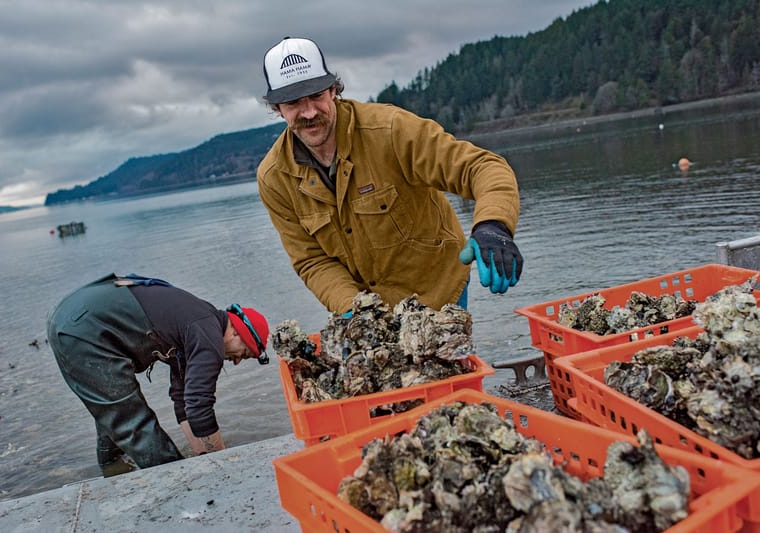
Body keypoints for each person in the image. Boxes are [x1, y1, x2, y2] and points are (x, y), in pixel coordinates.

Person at [257, 37, 523, 315]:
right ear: (277, 108)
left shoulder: (391, 130)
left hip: (436, 289)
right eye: (294, 103)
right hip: (369, 310)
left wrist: (493, 225)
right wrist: (355, 309)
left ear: (333, 90)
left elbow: (481, 167)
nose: (309, 112)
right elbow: (311, 260)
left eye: (316, 96)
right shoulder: (274, 178)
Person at [46, 273, 269, 474]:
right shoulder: (209, 333)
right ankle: (180, 488)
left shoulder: (199, 321)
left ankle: (114, 473)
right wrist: (225, 467)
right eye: (245, 353)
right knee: (134, 424)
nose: (237, 361)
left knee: (114, 413)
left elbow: (184, 401)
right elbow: (200, 404)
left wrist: (203, 457)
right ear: (237, 333)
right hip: (86, 328)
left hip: (74, 318)